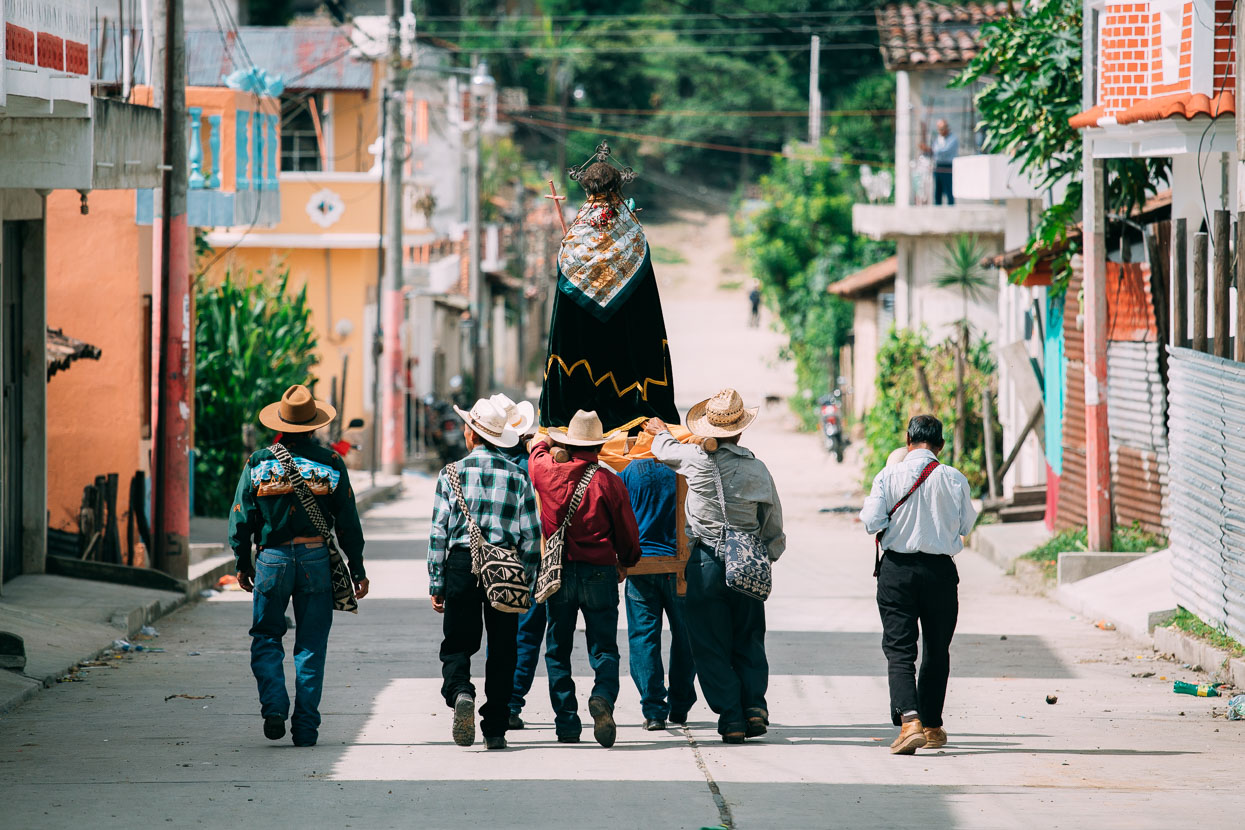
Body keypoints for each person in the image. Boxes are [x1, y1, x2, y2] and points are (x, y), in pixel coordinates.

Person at [229, 384, 369, 748]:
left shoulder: (258, 463)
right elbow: (348, 522)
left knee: (265, 636)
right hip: (315, 559)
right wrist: (358, 569)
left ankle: (274, 707)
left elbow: (241, 519)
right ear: (313, 425)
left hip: (272, 559)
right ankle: (305, 728)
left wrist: (243, 563)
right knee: (310, 644)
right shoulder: (332, 463)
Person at [645, 389, 785, 744]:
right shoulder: (758, 469)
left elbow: (663, 449)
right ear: (740, 430)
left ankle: (732, 717)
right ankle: (754, 706)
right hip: (747, 562)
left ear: (708, 430)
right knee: (749, 638)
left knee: (708, 644)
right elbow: (773, 526)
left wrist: (660, 429)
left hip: (705, 563)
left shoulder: (694, 459)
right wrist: (766, 554)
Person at [540, 142, 679, 435]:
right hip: (627, 357)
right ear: (619, 190)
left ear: (587, 190)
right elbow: (647, 309)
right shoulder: (635, 238)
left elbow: (563, 312)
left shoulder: (572, 244)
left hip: (579, 357)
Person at [860, 415, 977, 755]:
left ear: (908, 440)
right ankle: (932, 725)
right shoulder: (955, 478)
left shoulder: (888, 475)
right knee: (937, 650)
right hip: (941, 572)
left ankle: (910, 721)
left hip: (897, 571)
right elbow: (966, 524)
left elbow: (871, 522)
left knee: (900, 650)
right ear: (940, 445)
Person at [428, 397, 541, 751]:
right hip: (505, 566)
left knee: (458, 642)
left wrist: (437, 582)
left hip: (461, 564)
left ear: (470, 433)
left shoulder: (450, 474)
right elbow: (531, 536)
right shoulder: (518, 475)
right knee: (504, 647)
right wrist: (528, 578)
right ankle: (495, 728)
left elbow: (438, 534)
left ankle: (461, 690)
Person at [529, 410, 643, 747]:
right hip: (600, 573)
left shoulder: (547, 473)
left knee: (557, 649)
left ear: (568, 442)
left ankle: (566, 722)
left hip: (559, 572)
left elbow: (535, 452)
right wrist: (627, 561)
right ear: (598, 445)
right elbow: (628, 535)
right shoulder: (608, 481)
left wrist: (547, 441)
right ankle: (603, 697)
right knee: (604, 647)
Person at [620, 454, 697, 730]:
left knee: (643, 637)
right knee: (686, 636)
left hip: (641, 566)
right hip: (680, 565)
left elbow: (618, 515)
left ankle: (653, 710)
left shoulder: (629, 471)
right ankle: (680, 704)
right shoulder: (684, 467)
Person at [485, 393, 546, 732]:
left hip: (485, 561)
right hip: (527, 562)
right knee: (525, 636)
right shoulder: (534, 466)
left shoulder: (483, 463)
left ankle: (494, 698)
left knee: (492, 637)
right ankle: (509, 702)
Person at [922, 119, 958, 206]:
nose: (940, 131)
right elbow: (935, 151)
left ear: (946, 128)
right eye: (939, 129)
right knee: (938, 191)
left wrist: (930, 149)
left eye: (941, 129)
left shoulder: (953, 139)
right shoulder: (938, 139)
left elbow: (944, 151)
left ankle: (951, 210)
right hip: (938, 167)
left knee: (949, 190)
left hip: (948, 167)